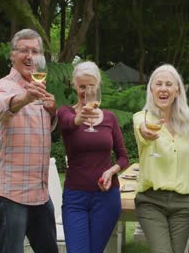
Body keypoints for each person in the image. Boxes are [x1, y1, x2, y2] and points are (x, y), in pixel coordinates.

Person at [0, 28, 58, 253]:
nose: (30, 56)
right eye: (24, 50)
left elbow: (42, 130)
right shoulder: (4, 86)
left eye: (35, 51)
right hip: (11, 194)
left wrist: (53, 112)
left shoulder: (41, 89)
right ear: (12, 55)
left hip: (39, 193)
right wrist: (25, 97)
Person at [132, 64, 189, 253]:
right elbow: (142, 130)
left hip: (185, 204)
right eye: (158, 84)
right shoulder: (142, 118)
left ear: (177, 90)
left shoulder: (188, 124)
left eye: (168, 84)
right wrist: (146, 132)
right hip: (151, 202)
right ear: (151, 89)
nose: (163, 88)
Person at [57, 61, 129, 253]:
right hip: (76, 198)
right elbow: (67, 123)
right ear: (74, 85)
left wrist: (111, 171)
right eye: (82, 86)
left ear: (97, 86)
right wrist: (79, 118)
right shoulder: (66, 112)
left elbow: (123, 157)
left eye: (91, 86)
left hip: (106, 198)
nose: (86, 91)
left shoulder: (109, 118)